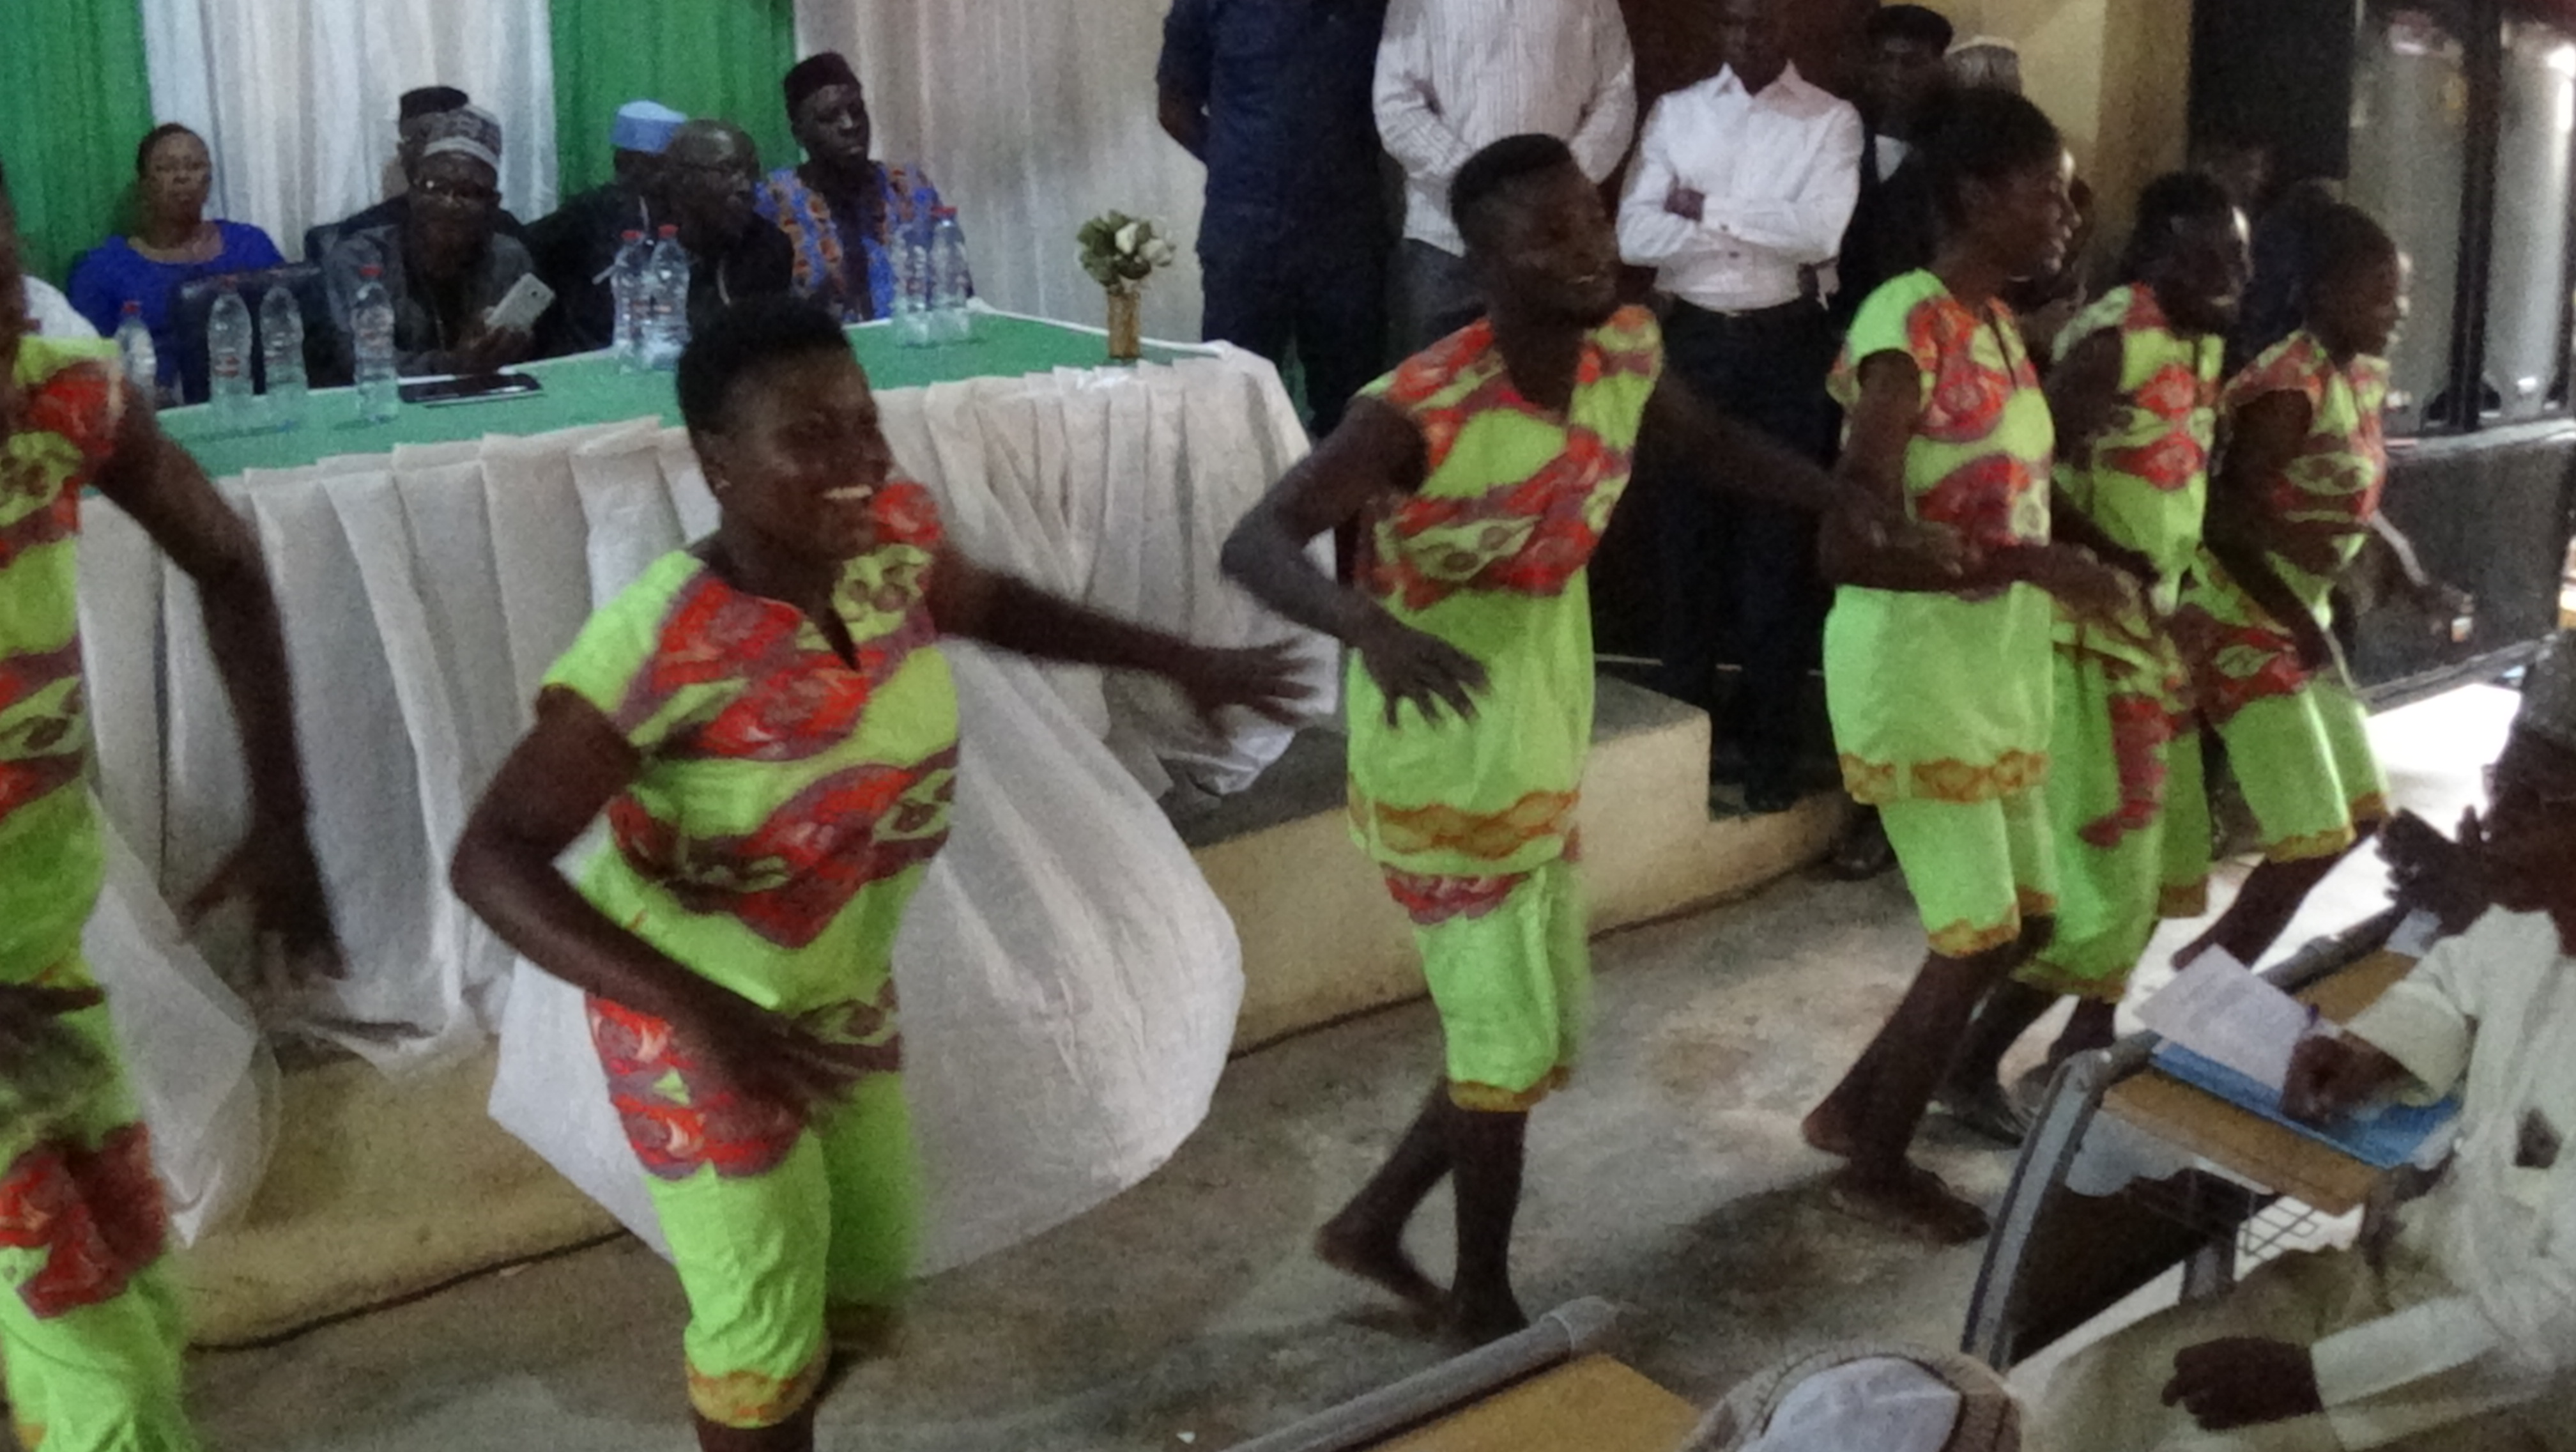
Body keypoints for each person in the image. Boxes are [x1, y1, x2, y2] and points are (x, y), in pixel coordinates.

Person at [448, 293, 1304, 1452]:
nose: (857, 462)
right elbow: (491, 860)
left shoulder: (884, 547)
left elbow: (991, 603)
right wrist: (699, 1011)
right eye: (810, 437)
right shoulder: (663, 642)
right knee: (762, 1328)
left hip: (838, 993)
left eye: (865, 424)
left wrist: (1178, 657)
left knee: (862, 1279)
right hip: (696, 1021)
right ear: (717, 463)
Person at [1222, 135, 1910, 1344]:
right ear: (1481, 259)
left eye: (1590, 217)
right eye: (1548, 233)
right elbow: (1258, 539)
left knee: (1532, 1033)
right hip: (1442, 751)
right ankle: (1482, 1305)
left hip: (1539, 726)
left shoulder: (1625, 351)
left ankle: (1372, 1224)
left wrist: (1834, 491)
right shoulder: (1419, 406)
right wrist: (1366, 626)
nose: (1588, 247)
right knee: (1501, 1041)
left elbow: (1704, 442)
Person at [2036, 631, 2576, 1451]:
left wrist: (2316, 1376)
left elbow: (2556, 1322)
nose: (2494, 823)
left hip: (2504, 1383)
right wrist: (2371, 1052)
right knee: (2097, 1386)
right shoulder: (2530, 924)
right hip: (2403, 1279)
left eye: (2536, 802)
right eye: (2503, 782)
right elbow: (2454, 979)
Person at [1, 150, 339, 1452]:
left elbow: (228, 560)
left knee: (139, 1295)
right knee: (113, 1392)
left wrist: (284, 817)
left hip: (41, 959)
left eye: (3, 291)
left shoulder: (61, 401)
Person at [1798, 88, 2136, 1244]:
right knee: (1978, 931)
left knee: (2030, 919)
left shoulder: (1995, 327)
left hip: (1993, 665)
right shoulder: (1907, 322)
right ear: (1978, 195)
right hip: (1915, 667)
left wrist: (2088, 563)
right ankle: (1875, 1165)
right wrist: (2037, 565)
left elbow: (2014, 498)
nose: (2067, 217)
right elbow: (1849, 540)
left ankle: (1854, 1109)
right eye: (2050, 193)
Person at [1937, 173, 2253, 1141]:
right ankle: (1969, 1065)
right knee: (2102, 872)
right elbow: (2033, 480)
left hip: (2149, 629)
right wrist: (2122, 564)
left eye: (2241, 261)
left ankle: (2085, 1037)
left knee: (2160, 861)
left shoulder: (2200, 341)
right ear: (2156, 256)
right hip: (2088, 638)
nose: (2232, 280)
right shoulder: (2113, 342)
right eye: (2209, 260)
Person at [2166, 202, 2467, 976]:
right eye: (2380, 294)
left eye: (2400, 292)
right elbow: (2223, 521)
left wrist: (2413, 576)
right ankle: (2205, 984)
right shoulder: (2286, 388)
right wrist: (2298, 618)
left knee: (2360, 815)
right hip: (2242, 616)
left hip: (2302, 614)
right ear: (2325, 293)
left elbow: (2357, 498)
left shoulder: (2359, 376)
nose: (2398, 310)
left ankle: (2207, 971)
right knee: (2310, 833)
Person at [1618, 0, 1863, 812]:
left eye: (1760, 23)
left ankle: (1770, 765)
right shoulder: (1677, 112)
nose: (1745, 37)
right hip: (1690, 344)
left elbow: (1819, 235)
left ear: (1787, 28)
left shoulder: (1831, 120)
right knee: (1685, 554)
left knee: (1775, 560)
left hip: (1787, 348)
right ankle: (1678, 768)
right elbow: (1634, 235)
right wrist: (1757, 227)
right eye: (1732, 23)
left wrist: (1702, 207)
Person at [1158, 0, 1392, 437]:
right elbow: (1174, 107)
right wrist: (1238, 167)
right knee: (1230, 406)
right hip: (1245, 232)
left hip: (1347, 234)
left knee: (1351, 411)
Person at [1375, 0, 1637, 351]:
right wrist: (1486, 189)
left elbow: (1616, 91)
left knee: (1551, 376)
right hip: (1448, 241)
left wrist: (1556, 189)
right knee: (1438, 379)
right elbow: (1396, 105)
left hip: (1555, 245)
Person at [322, 107, 544, 377]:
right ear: (412, 193)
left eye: (467, 192)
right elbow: (358, 361)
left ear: (492, 205)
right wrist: (452, 365)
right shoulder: (361, 259)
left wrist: (511, 347)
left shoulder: (510, 259)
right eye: (433, 186)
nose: (448, 203)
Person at [65, 124, 285, 396]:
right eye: (167, 168)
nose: (182, 177)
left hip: (254, 397)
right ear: (145, 184)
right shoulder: (101, 270)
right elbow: (88, 369)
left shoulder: (250, 245)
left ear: (209, 179)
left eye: (195, 166)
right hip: (158, 410)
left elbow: (291, 325)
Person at [756, 53, 951, 324]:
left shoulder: (909, 186)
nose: (850, 125)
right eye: (829, 117)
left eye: (857, 111)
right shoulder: (775, 200)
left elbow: (953, 288)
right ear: (799, 133)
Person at [528, 100, 689, 355]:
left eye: (675, 168)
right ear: (624, 162)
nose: (667, 177)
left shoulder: (684, 214)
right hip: (590, 352)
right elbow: (529, 244)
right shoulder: (591, 211)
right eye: (656, 165)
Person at [305, 87, 529, 264]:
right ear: (403, 153)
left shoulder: (506, 236)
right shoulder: (363, 237)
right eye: (427, 137)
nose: (440, 151)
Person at [1834, 4, 1954, 332]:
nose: (1896, 74)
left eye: (1911, 62)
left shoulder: (1952, 139)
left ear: (1937, 66)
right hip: (1843, 310)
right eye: (1886, 59)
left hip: (1923, 313)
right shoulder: (1843, 128)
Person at [666, 121, 797, 335]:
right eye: (727, 170)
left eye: (751, 171)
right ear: (683, 179)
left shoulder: (767, 246)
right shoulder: (643, 243)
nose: (746, 186)